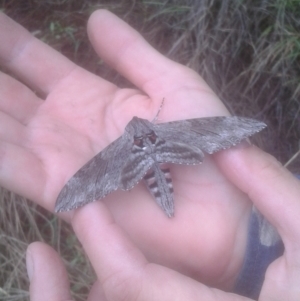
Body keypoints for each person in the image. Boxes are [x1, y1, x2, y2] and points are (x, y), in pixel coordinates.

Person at [0, 9, 299, 301]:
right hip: (171, 160)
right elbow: (213, 130)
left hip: (154, 176)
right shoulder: (167, 130)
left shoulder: (117, 150)